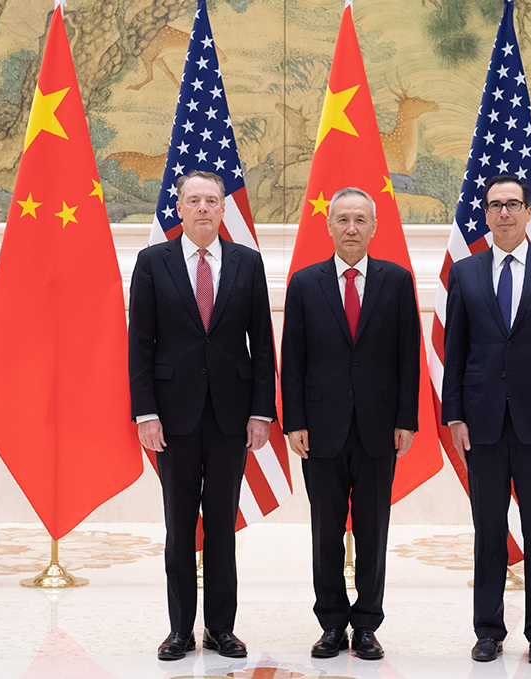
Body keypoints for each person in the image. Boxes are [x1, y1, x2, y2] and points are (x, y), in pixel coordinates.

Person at [128, 170, 276, 660]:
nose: (203, 208)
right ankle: (179, 630)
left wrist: (262, 411)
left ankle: (220, 629)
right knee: (179, 529)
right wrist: (146, 412)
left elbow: (262, 343)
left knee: (221, 528)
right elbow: (139, 344)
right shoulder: (153, 263)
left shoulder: (247, 262)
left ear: (223, 209)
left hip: (232, 416)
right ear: (179, 209)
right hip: (173, 418)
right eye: (193, 200)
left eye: (212, 200)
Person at [441, 175, 531, 665]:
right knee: (488, 531)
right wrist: (454, 415)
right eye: (495, 205)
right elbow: (455, 351)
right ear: (485, 214)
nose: (504, 212)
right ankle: (488, 630)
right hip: (481, 422)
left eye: (513, 204)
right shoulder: (465, 273)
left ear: (528, 212)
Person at [281, 186, 420, 660]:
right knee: (325, 530)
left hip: (379, 428)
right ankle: (331, 624)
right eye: (342, 219)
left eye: (360, 219)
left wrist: (406, 419)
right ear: (329, 226)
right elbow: (293, 358)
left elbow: (407, 355)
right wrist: (294, 421)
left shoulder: (397, 281)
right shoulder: (305, 283)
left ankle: (366, 625)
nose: (351, 228)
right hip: (320, 429)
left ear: (374, 227)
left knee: (372, 530)